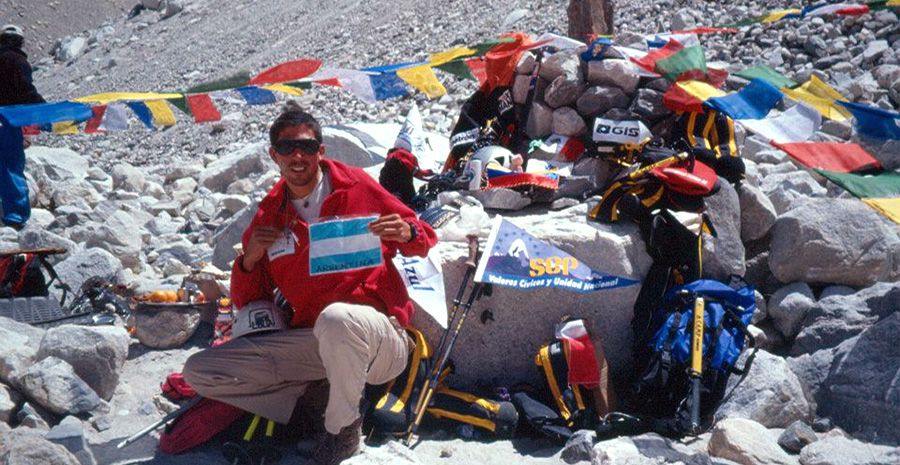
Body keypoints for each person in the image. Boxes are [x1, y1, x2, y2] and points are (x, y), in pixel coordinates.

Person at [183, 102, 438, 465]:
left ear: (321, 151)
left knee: (337, 319)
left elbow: (424, 236)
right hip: (315, 345)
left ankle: (340, 430)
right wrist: (250, 259)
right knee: (201, 372)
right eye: (287, 148)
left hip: (380, 342)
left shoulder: (356, 185)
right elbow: (250, 304)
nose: (297, 155)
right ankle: (305, 408)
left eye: (306, 146)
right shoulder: (270, 213)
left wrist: (408, 230)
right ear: (274, 155)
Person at [0, 24, 44, 230]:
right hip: (8, 120)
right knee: (11, 167)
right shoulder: (18, 61)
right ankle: (15, 217)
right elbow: (26, 91)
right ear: (20, 42)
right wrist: (45, 110)